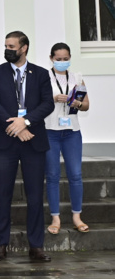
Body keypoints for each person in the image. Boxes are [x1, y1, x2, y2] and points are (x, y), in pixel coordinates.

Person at [0, 31, 54, 263]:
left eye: (12, 46)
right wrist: (15, 126)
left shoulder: (41, 74)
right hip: (6, 143)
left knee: (35, 196)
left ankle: (36, 246)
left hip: (33, 141)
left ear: (24, 48)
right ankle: (0, 245)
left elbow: (48, 104)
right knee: (2, 194)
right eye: (5, 45)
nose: (8, 49)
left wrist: (24, 122)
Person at [45, 43, 91, 235]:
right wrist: (53, 99)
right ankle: (55, 217)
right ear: (51, 58)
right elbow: (36, 103)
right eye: (58, 59)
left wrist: (77, 102)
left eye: (66, 59)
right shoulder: (44, 77)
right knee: (53, 175)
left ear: (70, 58)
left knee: (75, 175)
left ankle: (76, 216)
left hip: (72, 132)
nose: (62, 62)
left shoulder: (77, 77)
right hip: (50, 131)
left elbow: (87, 105)